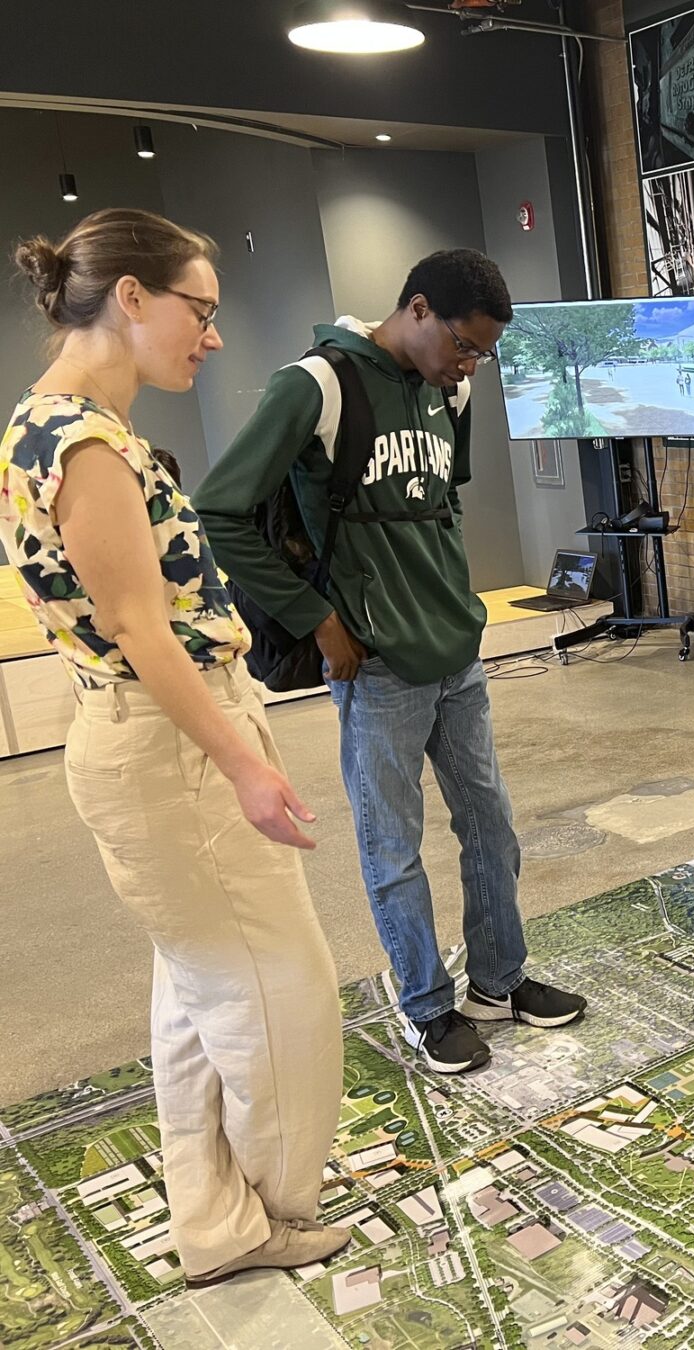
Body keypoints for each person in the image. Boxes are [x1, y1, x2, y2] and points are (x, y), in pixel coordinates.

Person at [1, 210, 348, 1284]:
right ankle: (279, 1207)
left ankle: (220, 1223)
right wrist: (245, 761)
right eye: (201, 310)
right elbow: (144, 632)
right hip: (170, 744)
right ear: (134, 298)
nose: (214, 337)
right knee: (281, 993)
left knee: (202, 999)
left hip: (145, 736)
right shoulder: (88, 444)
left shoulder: (43, 424)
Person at [195, 249, 587, 1076]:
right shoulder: (316, 385)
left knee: (492, 825)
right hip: (375, 665)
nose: (470, 363)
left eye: (482, 352)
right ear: (416, 309)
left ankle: (499, 980)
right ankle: (428, 1008)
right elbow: (222, 511)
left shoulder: (455, 389)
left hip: (456, 651)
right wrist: (319, 618)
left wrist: (460, 610)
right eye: (464, 344)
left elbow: (439, 504)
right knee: (393, 846)